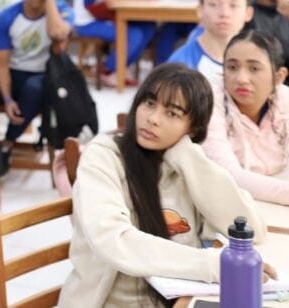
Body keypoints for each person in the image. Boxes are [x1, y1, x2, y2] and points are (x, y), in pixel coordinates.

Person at [58, 63, 274, 307]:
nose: (152, 119)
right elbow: (116, 241)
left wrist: (188, 155)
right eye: (149, 103)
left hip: (176, 299)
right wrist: (214, 265)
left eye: (172, 113)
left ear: (192, 127)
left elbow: (251, 228)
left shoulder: (184, 163)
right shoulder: (104, 156)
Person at [202, 30, 289, 205]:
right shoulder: (208, 100)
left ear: (279, 77)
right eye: (232, 67)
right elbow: (226, 174)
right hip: (221, 200)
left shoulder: (285, 99)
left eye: (254, 69)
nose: (241, 79)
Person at [0, 0, 73, 147]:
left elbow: (57, 33)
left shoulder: (62, 11)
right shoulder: (6, 16)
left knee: (34, 88)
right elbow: (2, 64)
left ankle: (7, 143)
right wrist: (7, 99)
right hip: (15, 74)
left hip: (47, 77)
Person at [167, 0, 252, 83]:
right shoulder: (180, 65)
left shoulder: (258, 60)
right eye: (214, 4)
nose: (224, 13)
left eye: (233, 5)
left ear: (248, 13)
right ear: (200, 10)